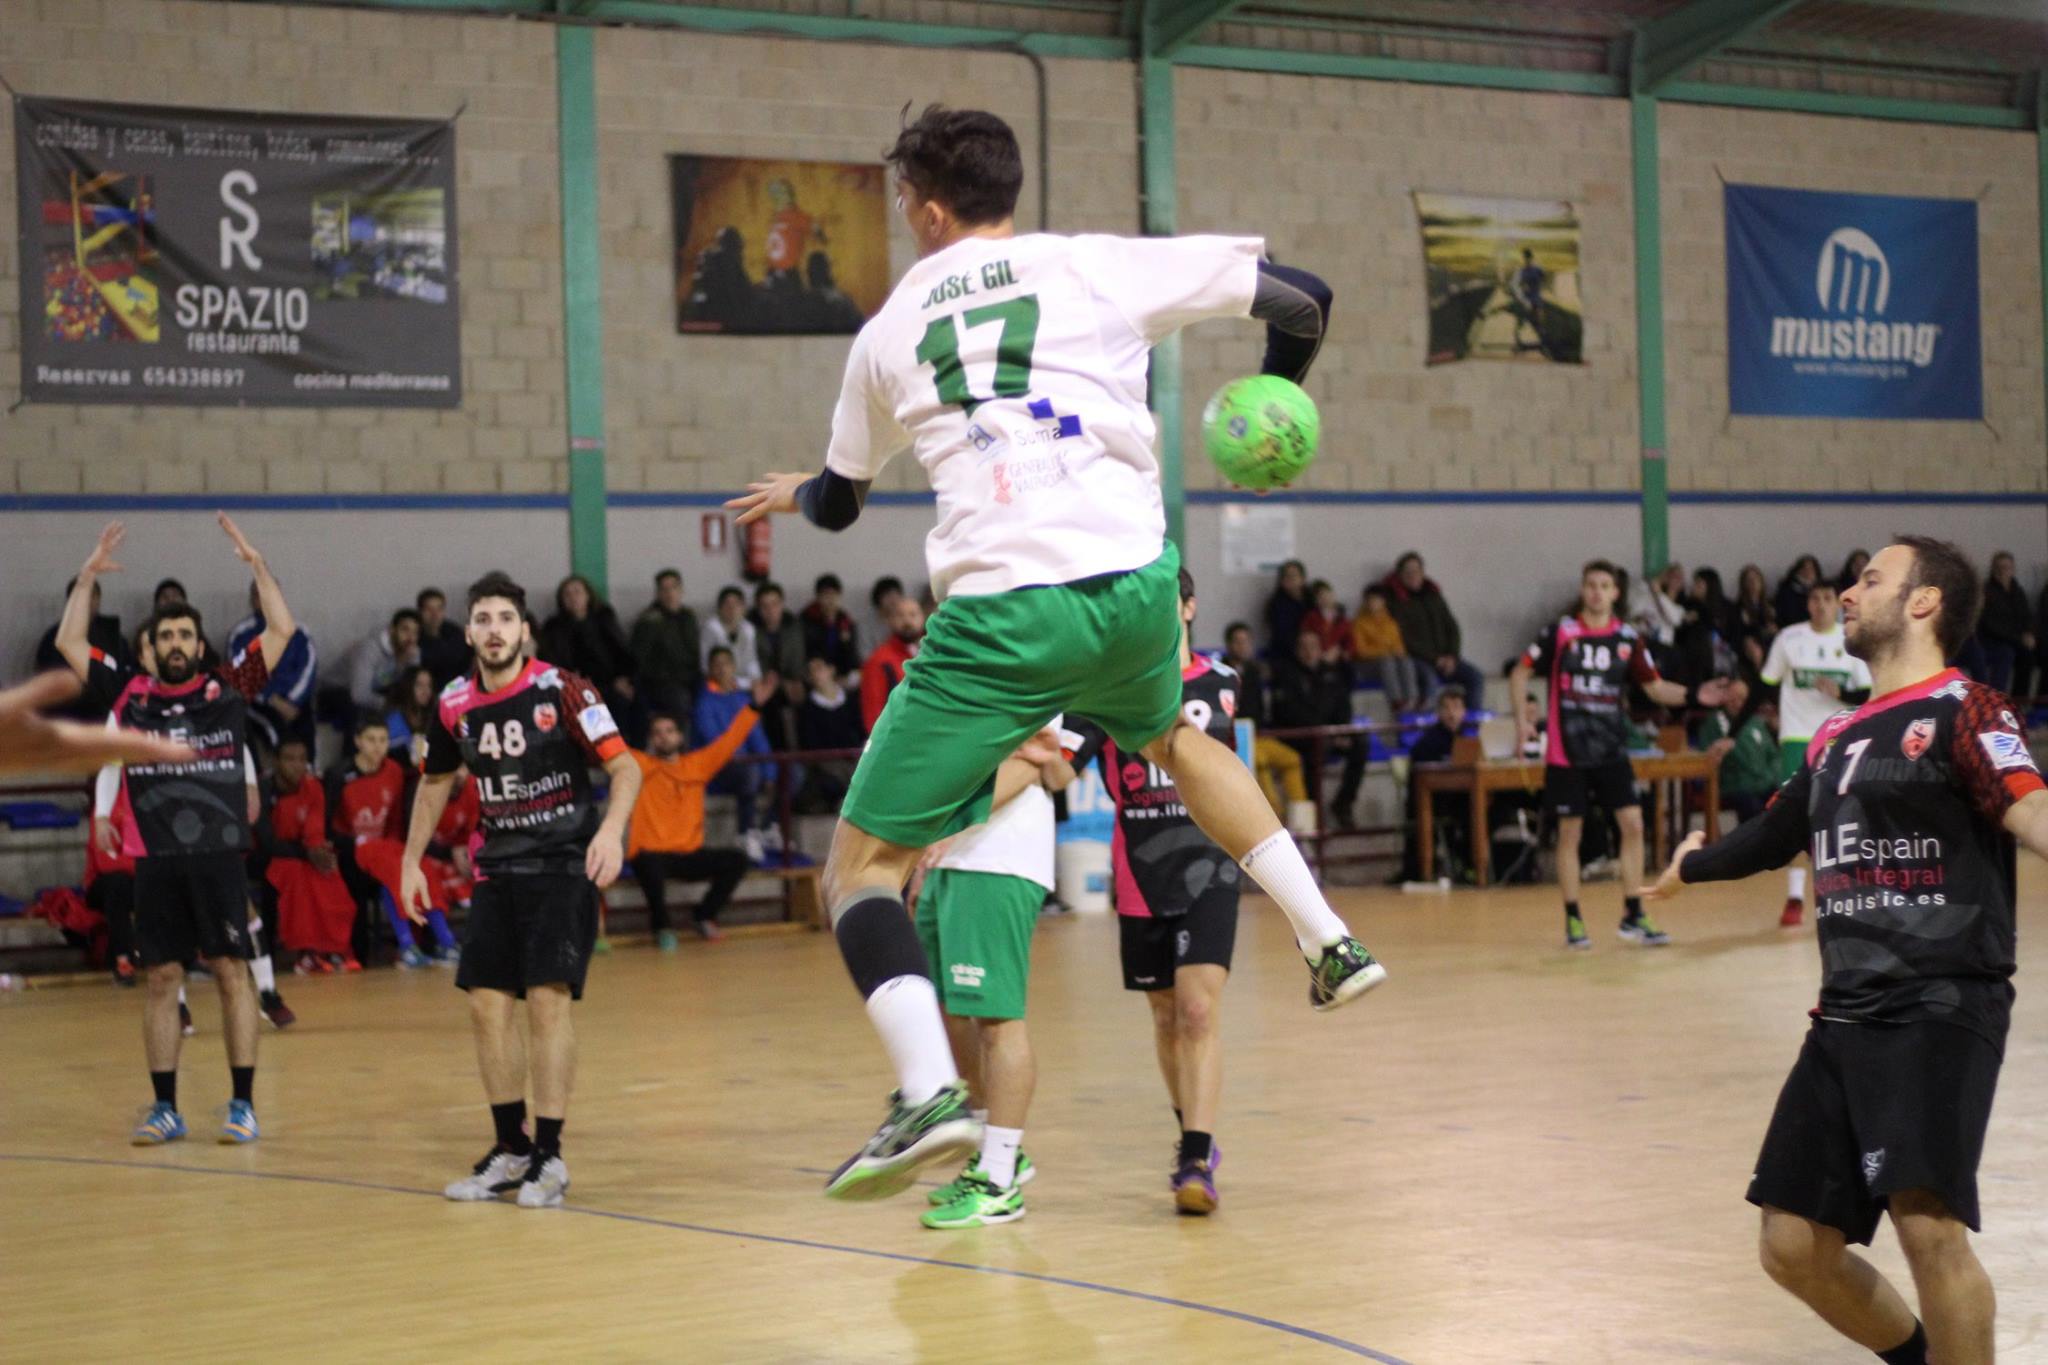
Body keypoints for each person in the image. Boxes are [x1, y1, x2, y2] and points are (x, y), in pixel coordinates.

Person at [725, 103, 1383, 1202]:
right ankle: (1329, 939)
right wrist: (1279, 395)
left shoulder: (887, 329)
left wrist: (805, 492)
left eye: (900, 202)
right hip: (1132, 588)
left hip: (1001, 616)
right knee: (1170, 735)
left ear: (928, 209)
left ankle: (927, 1090)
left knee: (859, 870)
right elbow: (1303, 300)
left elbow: (840, 507)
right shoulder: (1092, 267)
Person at [1645, 536, 2045, 1365]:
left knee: (1926, 1226)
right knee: (1791, 1244)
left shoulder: (1965, 708)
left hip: (1939, 1000)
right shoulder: (1835, 736)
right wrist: (1693, 866)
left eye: (1871, 579)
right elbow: (1773, 834)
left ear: (1924, 601)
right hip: (1844, 1014)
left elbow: (2029, 807)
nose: (1848, 593)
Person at [401, 571, 642, 1210]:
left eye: (505, 618)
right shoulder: (453, 703)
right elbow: (433, 784)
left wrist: (611, 833)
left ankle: (551, 1157)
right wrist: (410, 862)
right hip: (498, 869)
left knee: (546, 1001)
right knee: (485, 1004)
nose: (494, 630)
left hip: (562, 865)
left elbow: (625, 767)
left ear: (524, 630)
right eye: (482, 619)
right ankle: (511, 1148)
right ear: (469, 631)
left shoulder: (562, 689)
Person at [64, 515, 295, 1145]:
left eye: (185, 635)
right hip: (156, 857)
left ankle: (242, 1104)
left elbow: (282, 629)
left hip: (218, 856)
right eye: (165, 633)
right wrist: (87, 575)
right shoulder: (129, 694)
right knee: (162, 979)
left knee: (231, 973)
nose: (175, 642)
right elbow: (69, 642)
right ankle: (165, 1108)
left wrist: (256, 562)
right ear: (151, 644)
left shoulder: (226, 688)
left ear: (199, 646)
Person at [1066, 569, 1241, 1214]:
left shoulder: (1222, 683)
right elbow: (1063, 764)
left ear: (1189, 606)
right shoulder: (1106, 689)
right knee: (1165, 1015)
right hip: (1139, 866)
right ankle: (1188, 1132)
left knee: (1198, 1010)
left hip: (1212, 860)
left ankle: (1196, 1154)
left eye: (1168, 603)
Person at [1510, 558, 1717, 950]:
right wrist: (1523, 721)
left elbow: (1654, 688)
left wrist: (1694, 695)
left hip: (1610, 750)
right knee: (1570, 833)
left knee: (1634, 825)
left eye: (1605, 586)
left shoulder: (1625, 638)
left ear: (1615, 593)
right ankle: (1573, 918)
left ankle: (1633, 913)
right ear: (1582, 589)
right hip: (1567, 752)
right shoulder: (1561, 633)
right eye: (1590, 584)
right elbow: (1519, 673)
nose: (1596, 592)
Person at [911, 725, 1072, 1229]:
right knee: (949, 1012)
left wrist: (952, 829)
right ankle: (992, 1153)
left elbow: (1035, 765)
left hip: (995, 857)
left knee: (997, 1018)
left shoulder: (1029, 658)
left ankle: (1000, 1180)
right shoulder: (957, 660)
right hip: (949, 859)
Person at [1760, 578, 1872, 928]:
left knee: (1841, 818)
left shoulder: (1851, 639)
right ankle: (1794, 898)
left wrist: (1840, 691)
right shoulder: (1789, 639)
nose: (1821, 604)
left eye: (1827, 598)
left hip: (1839, 737)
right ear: (1807, 604)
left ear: (1837, 603)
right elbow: (1763, 685)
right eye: (1815, 598)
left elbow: (1868, 696)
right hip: (1796, 739)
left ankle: (1844, 894)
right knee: (1798, 817)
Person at [626, 695, 773, 948]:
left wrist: (754, 706)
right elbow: (607, 745)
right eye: (658, 733)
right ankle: (662, 927)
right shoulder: (638, 764)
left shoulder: (698, 765)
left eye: (669, 731)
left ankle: (704, 915)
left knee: (737, 859)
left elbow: (730, 740)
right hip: (652, 854)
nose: (664, 736)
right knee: (647, 863)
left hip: (688, 854)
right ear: (651, 739)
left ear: (680, 737)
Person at [330, 716, 456, 969]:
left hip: (386, 847)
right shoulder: (339, 775)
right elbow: (328, 824)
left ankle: (442, 943)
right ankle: (412, 946)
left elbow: (399, 815)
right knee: (395, 867)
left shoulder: (394, 772)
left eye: (383, 740)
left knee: (420, 866)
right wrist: (347, 843)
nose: (378, 746)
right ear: (357, 742)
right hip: (352, 849)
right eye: (371, 740)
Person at [253, 736, 360, 974]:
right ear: (276, 761)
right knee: (296, 875)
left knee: (329, 875)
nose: (297, 765)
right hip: (263, 856)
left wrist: (318, 851)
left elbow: (315, 830)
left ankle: (334, 948)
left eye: (302, 759)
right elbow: (267, 842)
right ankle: (306, 951)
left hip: (300, 853)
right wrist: (308, 853)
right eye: (290, 759)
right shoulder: (263, 789)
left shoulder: (313, 787)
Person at [1269, 629, 1367, 827]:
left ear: (1320, 649)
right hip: (1298, 736)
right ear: (1297, 650)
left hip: (1329, 733)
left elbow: (1343, 704)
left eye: (1313, 646)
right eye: (1303, 647)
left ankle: (1343, 802)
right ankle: (1314, 813)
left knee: (1360, 743)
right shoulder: (1285, 674)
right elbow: (1286, 712)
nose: (1309, 651)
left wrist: (1341, 730)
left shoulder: (1331, 673)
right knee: (1317, 748)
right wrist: (1321, 730)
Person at [695, 646, 780, 864]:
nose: (723, 668)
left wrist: (769, 772)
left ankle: (769, 826)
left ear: (734, 667)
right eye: (717, 664)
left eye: (727, 663)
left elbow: (758, 739)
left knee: (791, 772)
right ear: (710, 669)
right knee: (750, 773)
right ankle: (745, 832)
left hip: (746, 764)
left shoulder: (742, 699)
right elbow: (716, 745)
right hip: (718, 769)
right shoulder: (704, 702)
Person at [1223, 621, 1311, 829]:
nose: (1243, 646)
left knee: (1293, 760)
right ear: (1229, 645)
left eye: (1247, 641)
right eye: (1238, 642)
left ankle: (1303, 823)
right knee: (1259, 763)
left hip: (1261, 735)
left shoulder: (1255, 671)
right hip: (1237, 739)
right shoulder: (1222, 673)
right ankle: (1275, 820)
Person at [226, 580, 319, 759]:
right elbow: (241, 676)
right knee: (274, 730)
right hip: (258, 702)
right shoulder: (240, 634)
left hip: (295, 701)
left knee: (306, 725)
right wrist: (272, 699)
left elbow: (308, 670)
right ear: (253, 599)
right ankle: (278, 778)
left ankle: (309, 775)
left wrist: (292, 701)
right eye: (260, 594)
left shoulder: (299, 632)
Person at [1381, 551, 1488, 704]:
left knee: (1476, 678)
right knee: (1430, 681)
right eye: (1408, 572)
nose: (1413, 575)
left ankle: (1469, 725)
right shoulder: (1395, 602)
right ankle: (1428, 724)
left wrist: (1452, 655)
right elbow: (1403, 638)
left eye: (1417, 571)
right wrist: (1435, 659)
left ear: (1423, 572)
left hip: (1447, 658)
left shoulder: (1433, 595)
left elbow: (1452, 626)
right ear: (1400, 575)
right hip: (1417, 660)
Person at [32, 574, 129, 720]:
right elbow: (45, 676)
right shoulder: (53, 637)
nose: (88, 602)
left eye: (93, 596)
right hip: (63, 714)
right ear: (70, 602)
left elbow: (123, 676)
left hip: (101, 715)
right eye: (81, 597)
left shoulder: (113, 637)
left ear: (99, 599)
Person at [538, 575, 636, 719]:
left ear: (588, 595)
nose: (573, 598)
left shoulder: (604, 618)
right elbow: (551, 660)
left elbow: (621, 651)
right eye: (567, 594)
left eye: (577, 592)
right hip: (574, 683)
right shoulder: (554, 627)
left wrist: (623, 678)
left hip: (610, 680)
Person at [1690, 679, 1778, 823]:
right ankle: (1751, 844)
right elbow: (1708, 755)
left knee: (1782, 801)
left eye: (1742, 699)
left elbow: (1773, 755)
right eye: (1733, 698)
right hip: (1733, 785)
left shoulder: (1755, 722)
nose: (1737, 703)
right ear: (1725, 698)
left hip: (1763, 782)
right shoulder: (1714, 722)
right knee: (1751, 805)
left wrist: (1770, 776)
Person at [630, 569, 703, 722]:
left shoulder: (688, 616)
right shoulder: (649, 621)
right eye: (664, 589)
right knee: (681, 703)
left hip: (691, 677)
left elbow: (695, 651)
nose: (669, 593)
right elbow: (639, 658)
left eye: (673, 588)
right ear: (658, 593)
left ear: (681, 590)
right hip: (661, 682)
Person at [797, 655, 863, 811]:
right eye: (811, 671)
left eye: (819, 668)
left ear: (831, 670)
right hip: (825, 764)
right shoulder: (808, 708)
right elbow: (809, 743)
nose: (815, 674)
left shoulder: (850, 700)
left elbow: (859, 730)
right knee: (831, 782)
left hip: (853, 758)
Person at [860, 593, 925, 735]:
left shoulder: (930, 656)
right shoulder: (879, 661)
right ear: (889, 620)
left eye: (913, 615)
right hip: (897, 744)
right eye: (900, 615)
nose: (907, 621)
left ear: (922, 618)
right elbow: (873, 716)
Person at [1351, 585, 1423, 710]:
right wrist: (1385, 652)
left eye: (1376, 599)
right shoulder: (1359, 623)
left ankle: (1412, 699)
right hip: (1367, 665)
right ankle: (1396, 701)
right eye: (1369, 600)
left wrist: (1398, 652)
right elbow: (1361, 651)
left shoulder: (1391, 623)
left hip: (1391, 661)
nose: (1372, 603)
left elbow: (1399, 646)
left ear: (1383, 601)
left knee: (1406, 661)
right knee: (1387, 662)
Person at [1975, 551, 2033, 700]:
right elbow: (1990, 625)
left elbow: (2026, 616)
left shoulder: (2017, 591)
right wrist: (2019, 638)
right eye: (1999, 567)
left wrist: (2029, 633)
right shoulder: (1987, 591)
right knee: (2006, 653)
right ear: (1993, 569)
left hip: (2015, 639)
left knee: (2030, 654)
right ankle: (1996, 699)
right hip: (1991, 641)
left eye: (2007, 567)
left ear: (2013, 569)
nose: (2003, 571)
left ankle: (2020, 701)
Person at [347, 608, 422, 715]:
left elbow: (413, 687)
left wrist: (403, 664)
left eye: (415, 632)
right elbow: (358, 695)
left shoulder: (412, 650)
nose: (410, 637)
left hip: (378, 689)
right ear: (392, 629)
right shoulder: (369, 649)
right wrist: (394, 705)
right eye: (405, 629)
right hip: (340, 690)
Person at [802, 573, 861, 678]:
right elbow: (807, 653)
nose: (830, 599)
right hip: (816, 671)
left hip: (840, 673)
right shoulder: (806, 620)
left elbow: (853, 657)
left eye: (834, 594)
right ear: (818, 597)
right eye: (826, 595)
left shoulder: (846, 622)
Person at [701, 587, 761, 689]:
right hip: (718, 681)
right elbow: (706, 666)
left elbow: (752, 661)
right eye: (727, 604)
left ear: (743, 608)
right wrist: (739, 683)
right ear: (720, 609)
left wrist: (756, 680)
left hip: (742, 681)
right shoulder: (711, 628)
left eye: (736, 604)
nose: (732, 608)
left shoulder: (749, 629)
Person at [416, 587, 472, 689]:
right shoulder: (414, 636)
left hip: (456, 690)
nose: (435, 615)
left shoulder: (456, 634)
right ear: (420, 611)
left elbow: (467, 667)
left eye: (439, 609)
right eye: (429, 609)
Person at [384, 665, 437, 768]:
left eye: (429, 685)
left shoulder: (433, 716)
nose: (425, 691)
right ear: (408, 686)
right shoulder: (394, 718)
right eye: (419, 685)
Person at [1732, 563, 1779, 677]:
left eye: (1756, 579)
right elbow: (1738, 631)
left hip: (1770, 639)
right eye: (1749, 580)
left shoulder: (1771, 604)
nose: (1753, 583)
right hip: (1750, 641)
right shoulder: (1738, 607)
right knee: (1756, 650)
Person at [1263, 560, 1310, 658]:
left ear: (1303, 579)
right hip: (1285, 653)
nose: (1290, 579)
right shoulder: (1276, 604)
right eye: (1286, 576)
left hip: (1312, 651)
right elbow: (1282, 635)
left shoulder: (1311, 600)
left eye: (1294, 576)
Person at [1774, 554, 1822, 630]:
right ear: (1797, 570)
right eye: (1804, 568)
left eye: (1811, 569)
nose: (1808, 572)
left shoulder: (1823, 591)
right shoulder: (1786, 590)